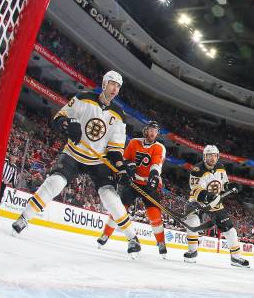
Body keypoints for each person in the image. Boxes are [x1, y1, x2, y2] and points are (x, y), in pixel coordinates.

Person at [11, 71, 141, 257]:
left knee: (109, 197)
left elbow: (115, 150)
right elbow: (59, 119)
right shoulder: (83, 98)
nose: (115, 89)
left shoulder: (119, 115)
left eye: (118, 86)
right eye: (112, 84)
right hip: (74, 153)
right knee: (56, 182)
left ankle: (132, 238)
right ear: (104, 84)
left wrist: (121, 167)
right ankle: (24, 217)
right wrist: (67, 125)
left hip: (98, 160)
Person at [97, 121, 168, 257]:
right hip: (132, 182)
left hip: (149, 184)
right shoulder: (134, 142)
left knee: (154, 215)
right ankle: (105, 235)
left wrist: (154, 176)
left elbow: (157, 164)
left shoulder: (159, 147)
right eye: (151, 130)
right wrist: (129, 167)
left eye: (155, 130)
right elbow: (125, 159)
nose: (153, 132)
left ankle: (161, 242)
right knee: (118, 209)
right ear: (145, 131)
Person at [182, 145, 249, 267]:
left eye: (215, 155)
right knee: (192, 221)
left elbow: (224, 184)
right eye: (209, 155)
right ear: (204, 156)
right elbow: (195, 189)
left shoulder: (220, 167)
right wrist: (207, 196)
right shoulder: (197, 170)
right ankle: (192, 251)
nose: (213, 158)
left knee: (230, 230)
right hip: (198, 201)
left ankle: (236, 257)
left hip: (215, 203)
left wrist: (231, 186)